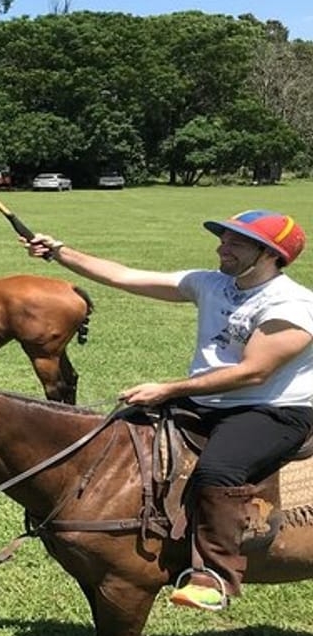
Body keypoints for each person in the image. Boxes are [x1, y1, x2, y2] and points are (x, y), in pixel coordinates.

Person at [24, 210, 313, 611]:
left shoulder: (292, 305)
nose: (221, 247)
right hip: (206, 401)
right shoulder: (211, 283)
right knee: (123, 433)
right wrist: (59, 252)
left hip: (271, 409)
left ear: (268, 254)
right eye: (224, 239)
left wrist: (168, 389)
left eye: (235, 243)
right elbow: (122, 276)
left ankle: (213, 573)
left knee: (217, 469)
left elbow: (253, 373)